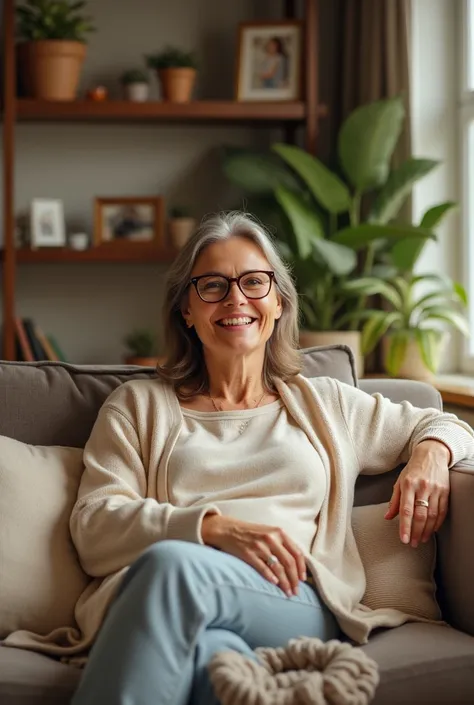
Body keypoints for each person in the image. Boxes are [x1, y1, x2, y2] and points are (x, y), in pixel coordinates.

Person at [70, 212, 474, 705]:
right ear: (186, 311)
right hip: (175, 594)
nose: (236, 298)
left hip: (293, 595)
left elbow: (444, 423)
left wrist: (431, 457)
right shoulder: (139, 406)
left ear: (278, 302)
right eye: (213, 286)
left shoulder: (325, 403)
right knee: (215, 664)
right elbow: (94, 525)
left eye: (254, 282)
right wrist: (212, 528)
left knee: (172, 568)